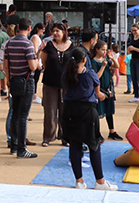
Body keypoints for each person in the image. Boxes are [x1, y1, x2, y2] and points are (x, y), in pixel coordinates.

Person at [61, 47, 117, 191]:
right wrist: (100, 95)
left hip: (69, 111)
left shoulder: (66, 75)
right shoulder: (89, 74)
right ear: (85, 60)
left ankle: (79, 181)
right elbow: (97, 89)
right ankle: (100, 181)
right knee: (94, 145)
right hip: (86, 111)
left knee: (75, 144)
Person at [4, 18, 39, 158]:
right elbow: (32, 66)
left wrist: (8, 80)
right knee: (23, 116)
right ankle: (22, 149)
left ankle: (14, 145)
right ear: (29, 28)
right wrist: (36, 61)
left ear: (18, 27)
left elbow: (6, 65)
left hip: (14, 80)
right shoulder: (28, 44)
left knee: (15, 113)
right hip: (26, 81)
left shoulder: (10, 43)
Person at [40, 22, 75, 147]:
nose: (55, 33)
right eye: (53, 31)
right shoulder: (49, 45)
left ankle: (65, 137)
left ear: (64, 32)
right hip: (50, 83)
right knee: (50, 111)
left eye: (57, 31)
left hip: (67, 84)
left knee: (65, 111)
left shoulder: (72, 46)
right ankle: (48, 137)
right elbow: (44, 62)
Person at [90, 40, 121, 141]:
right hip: (100, 88)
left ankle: (112, 131)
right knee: (99, 111)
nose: (104, 52)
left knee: (109, 111)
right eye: (102, 50)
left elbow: (117, 66)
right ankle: (96, 133)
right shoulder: (94, 62)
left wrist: (112, 58)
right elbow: (96, 77)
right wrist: (103, 66)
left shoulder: (106, 59)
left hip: (108, 88)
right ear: (97, 50)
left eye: (105, 50)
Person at [29, 23, 45, 104]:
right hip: (37, 61)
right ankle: (33, 95)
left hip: (38, 60)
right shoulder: (35, 37)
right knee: (34, 79)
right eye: (42, 29)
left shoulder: (38, 37)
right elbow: (35, 51)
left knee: (36, 79)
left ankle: (34, 95)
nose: (43, 31)